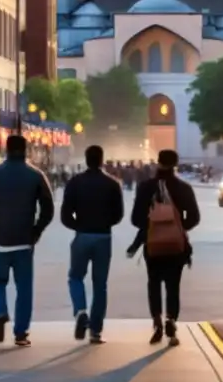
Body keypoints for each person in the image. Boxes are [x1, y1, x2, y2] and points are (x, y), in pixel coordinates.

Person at [0, 134, 55, 347]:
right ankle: (21, 333)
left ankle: (0, 312)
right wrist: (36, 230)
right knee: (24, 287)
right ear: (26, 149)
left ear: (6, 149)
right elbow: (49, 208)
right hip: (24, 239)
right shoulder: (36, 175)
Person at [128, 149, 200, 347]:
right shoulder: (183, 188)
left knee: (153, 283)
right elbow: (194, 217)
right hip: (176, 246)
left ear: (158, 162)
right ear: (176, 163)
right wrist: (177, 228)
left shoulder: (145, 187)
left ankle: (157, 322)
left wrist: (153, 226)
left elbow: (136, 219)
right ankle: (171, 320)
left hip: (152, 244)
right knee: (173, 285)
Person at [61, 145, 124, 344]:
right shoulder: (112, 184)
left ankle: (80, 310)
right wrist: (105, 223)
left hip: (82, 235)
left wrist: (78, 225)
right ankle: (96, 330)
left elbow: (65, 214)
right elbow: (119, 215)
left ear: (86, 160)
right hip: (103, 237)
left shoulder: (75, 182)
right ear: (102, 160)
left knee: (75, 276)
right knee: (100, 284)